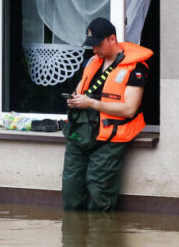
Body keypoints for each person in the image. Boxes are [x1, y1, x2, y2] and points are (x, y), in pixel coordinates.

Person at [62, 17, 153, 212]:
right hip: (80, 133)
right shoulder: (92, 62)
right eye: (91, 45)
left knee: (99, 193)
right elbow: (80, 91)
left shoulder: (135, 68)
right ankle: (72, 240)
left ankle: (102, 241)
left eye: (98, 44)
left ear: (112, 39)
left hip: (110, 138)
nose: (94, 50)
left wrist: (92, 103)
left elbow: (129, 108)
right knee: (71, 191)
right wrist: (75, 100)